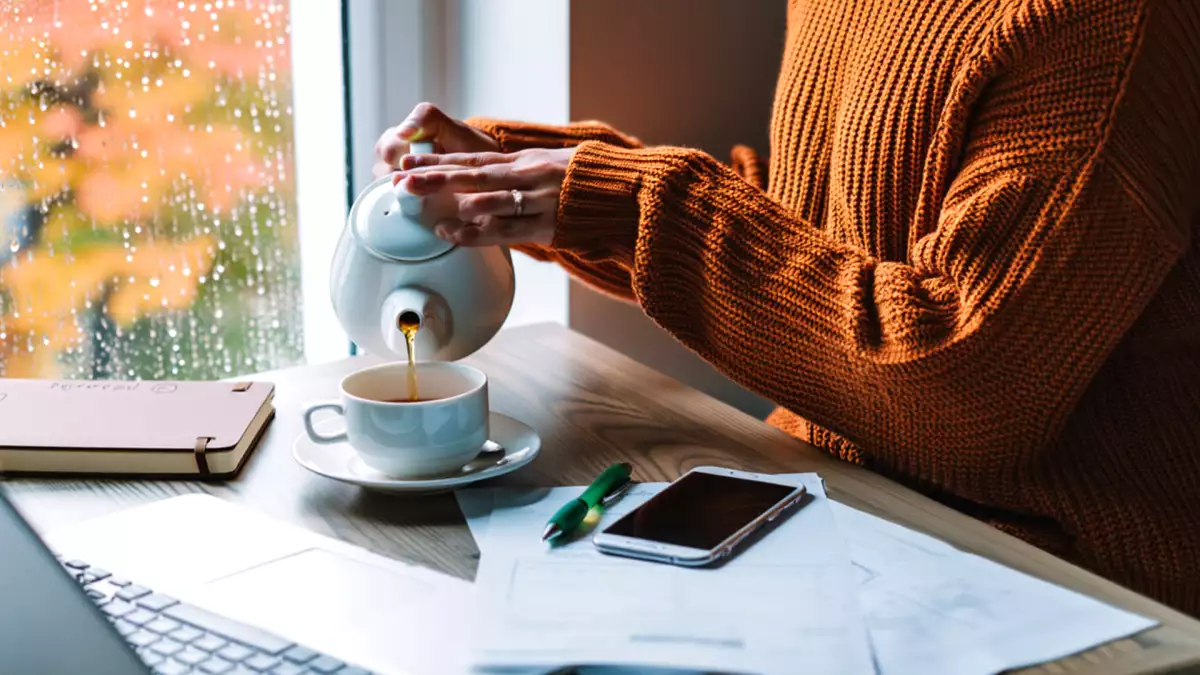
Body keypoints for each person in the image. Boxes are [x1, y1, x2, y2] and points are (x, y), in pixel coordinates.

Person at [374, 0, 1200, 614]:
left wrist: (631, 205)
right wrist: (545, 183)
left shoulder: (1109, 22)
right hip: (823, 510)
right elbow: (823, 234)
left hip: (1059, 574)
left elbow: (969, 388)